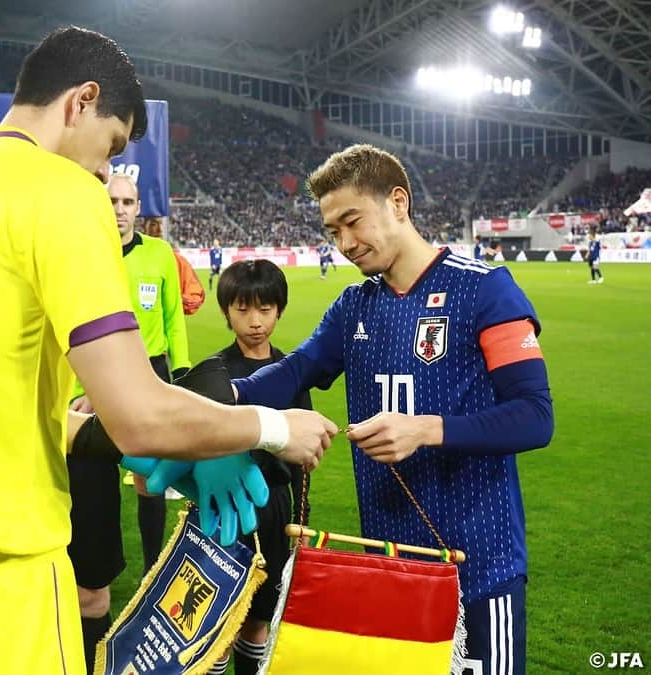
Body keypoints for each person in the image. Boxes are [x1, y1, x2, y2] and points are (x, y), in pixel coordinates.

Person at [0, 27, 336, 675]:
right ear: (81, 100)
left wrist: (133, 442)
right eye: (111, 145)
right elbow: (137, 411)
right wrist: (275, 426)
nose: (106, 170)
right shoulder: (61, 192)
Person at [222, 145, 553, 674]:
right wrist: (207, 401)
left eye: (352, 222)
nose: (345, 243)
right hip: (390, 567)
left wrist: (425, 430)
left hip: (480, 568)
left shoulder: (486, 289)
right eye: (332, 232)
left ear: (398, 202)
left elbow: (535, 415)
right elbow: (293, 372)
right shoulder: (355, 305)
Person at [67, 174, 191, 669]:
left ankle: (149, 569)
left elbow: (173, 316)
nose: (119, 209)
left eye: (126, 201)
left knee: (149, 481)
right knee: (94, 478)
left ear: (140, 207)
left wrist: (179, 374)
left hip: (151, 373)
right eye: (111, 200)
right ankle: (92, 570)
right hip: (92, 383)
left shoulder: (160, 256)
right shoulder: (82, 254)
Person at [207, 260, 312, 675]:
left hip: (276, 509)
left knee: (260, 618)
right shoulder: (214, 374)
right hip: (225, 509)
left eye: (265, 309)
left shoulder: (292, 372)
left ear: (279, 310)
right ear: (226, 312)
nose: (255, 321)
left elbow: (305, 454)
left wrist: (303, 519)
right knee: (219, 620)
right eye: (243, 309)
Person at [143, 216, 205, 315]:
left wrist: (171, 298)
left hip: (170, 330)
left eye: (163, 224)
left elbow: (196, 298)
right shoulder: (127, 257)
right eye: (154, 224)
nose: (160, 229)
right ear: (143, 227)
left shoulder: (178, 262)